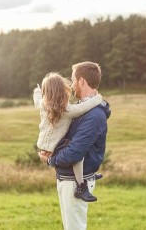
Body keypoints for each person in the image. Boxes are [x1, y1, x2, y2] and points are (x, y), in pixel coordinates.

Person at [38, 61, 111, 230]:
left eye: (72, 80)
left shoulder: (94, 115)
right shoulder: (82, 109)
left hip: (75, 183)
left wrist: (50, 161)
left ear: (82, 81)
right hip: (68, 178)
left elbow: (74, 153)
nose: (71, 85)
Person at [33, 72, 103, 202]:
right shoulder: (66, 111)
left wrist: (37, 91)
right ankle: (81, 185)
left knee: (75, 145)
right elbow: (84, 107)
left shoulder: (43, 104)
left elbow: (37, 100)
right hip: (52, 147)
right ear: (62, 91)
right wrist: (98, 99)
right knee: (77, 155)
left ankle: (89, 175)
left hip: (44, 144)